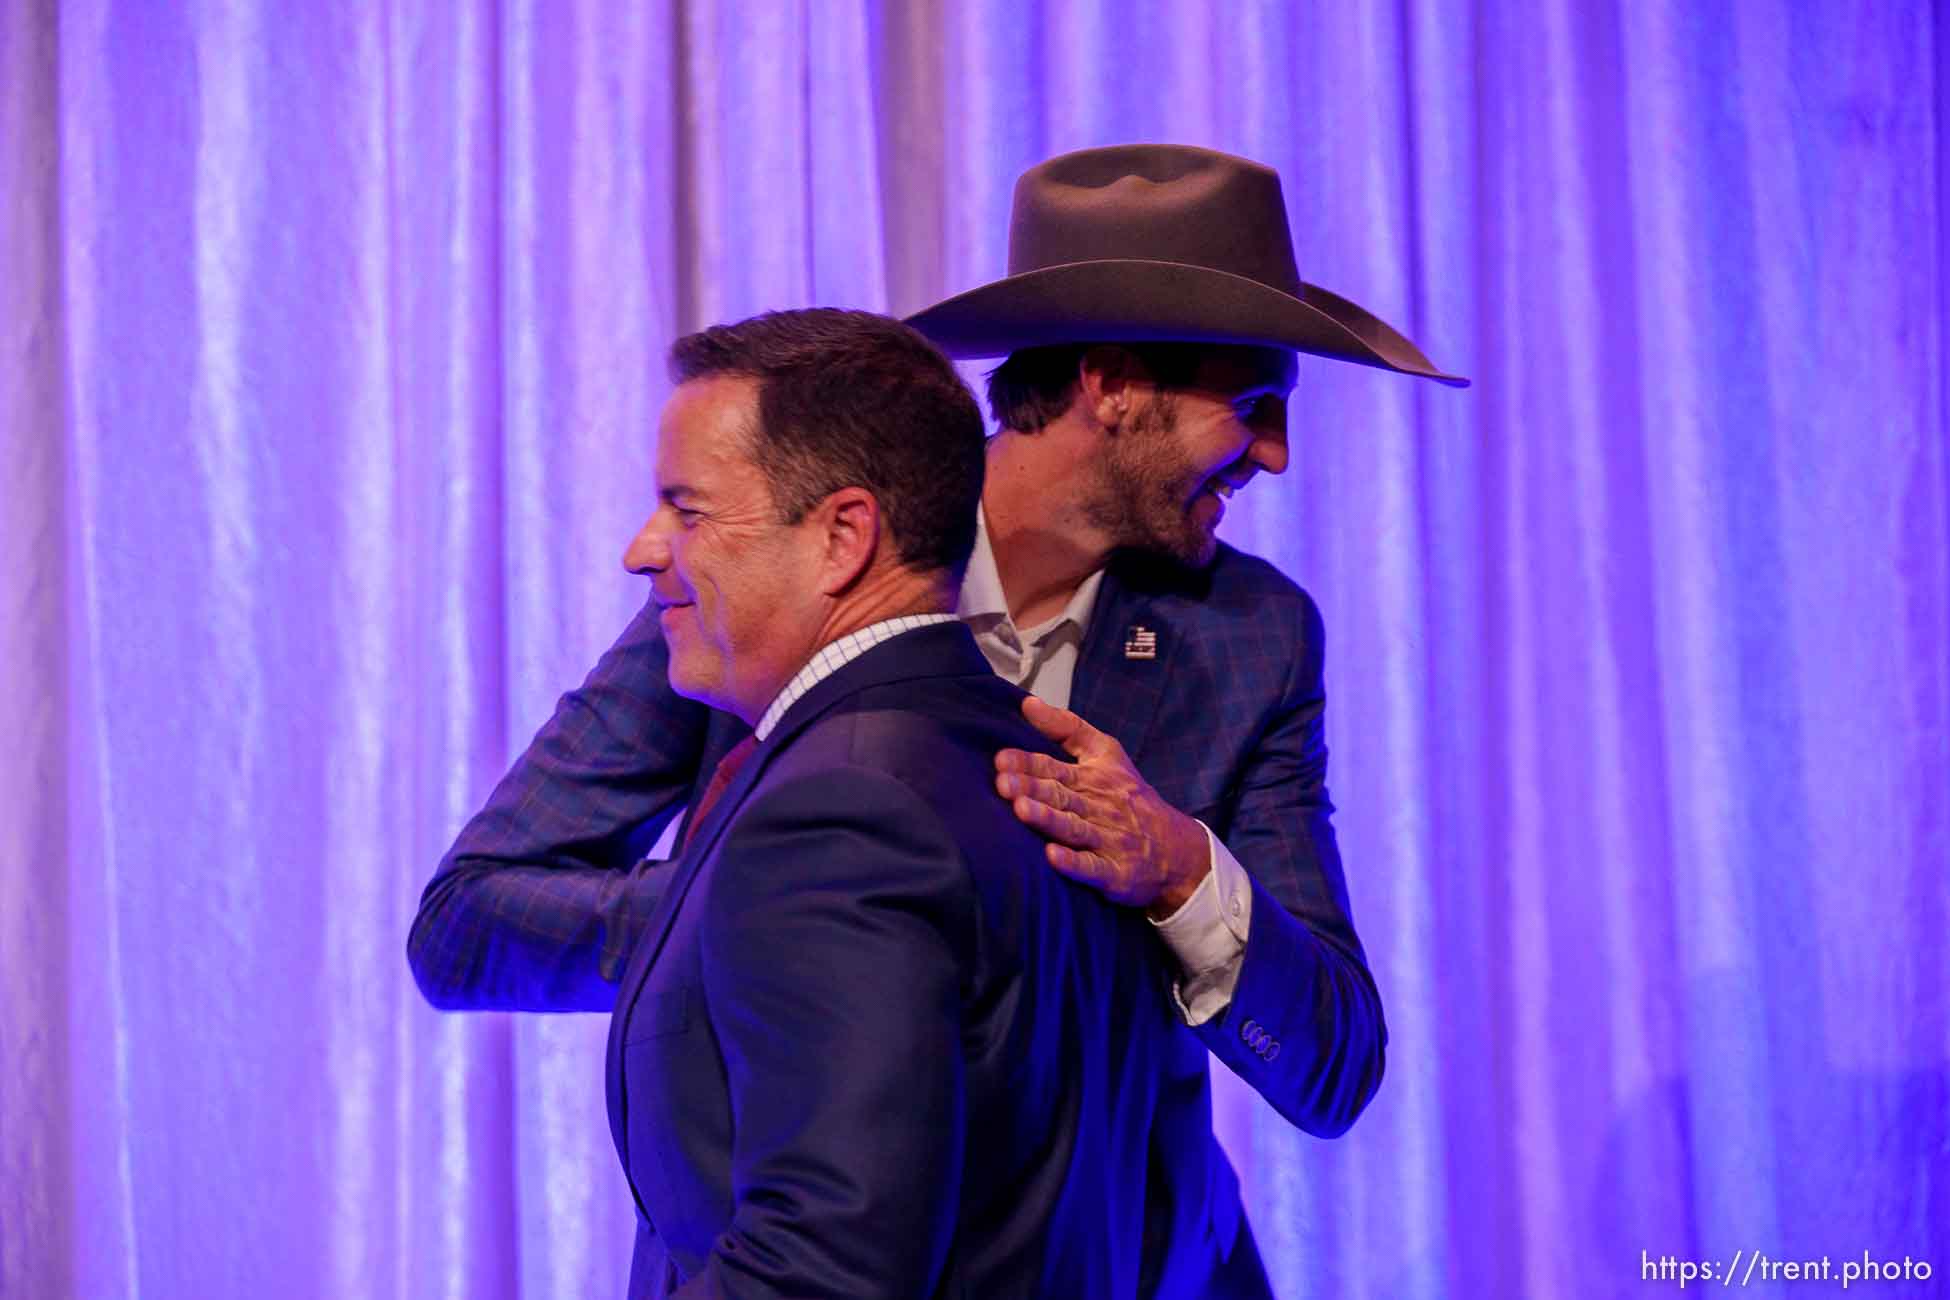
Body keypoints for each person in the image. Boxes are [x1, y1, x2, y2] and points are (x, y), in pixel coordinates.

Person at [409, 143, 1467, 1296]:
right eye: (1253, 403)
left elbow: (1336, 1063)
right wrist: (817, 902)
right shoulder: (762, 582)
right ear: (1113, 387)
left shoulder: (1253, 635)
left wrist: (1178, 874)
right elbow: (467, 922)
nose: (1275, 452)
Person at [603, 307, 1180, 1295]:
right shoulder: (1023, 758)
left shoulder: (836, 811)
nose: (644, 550)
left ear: (842, 536)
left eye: (687, 510)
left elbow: (822, 1272)